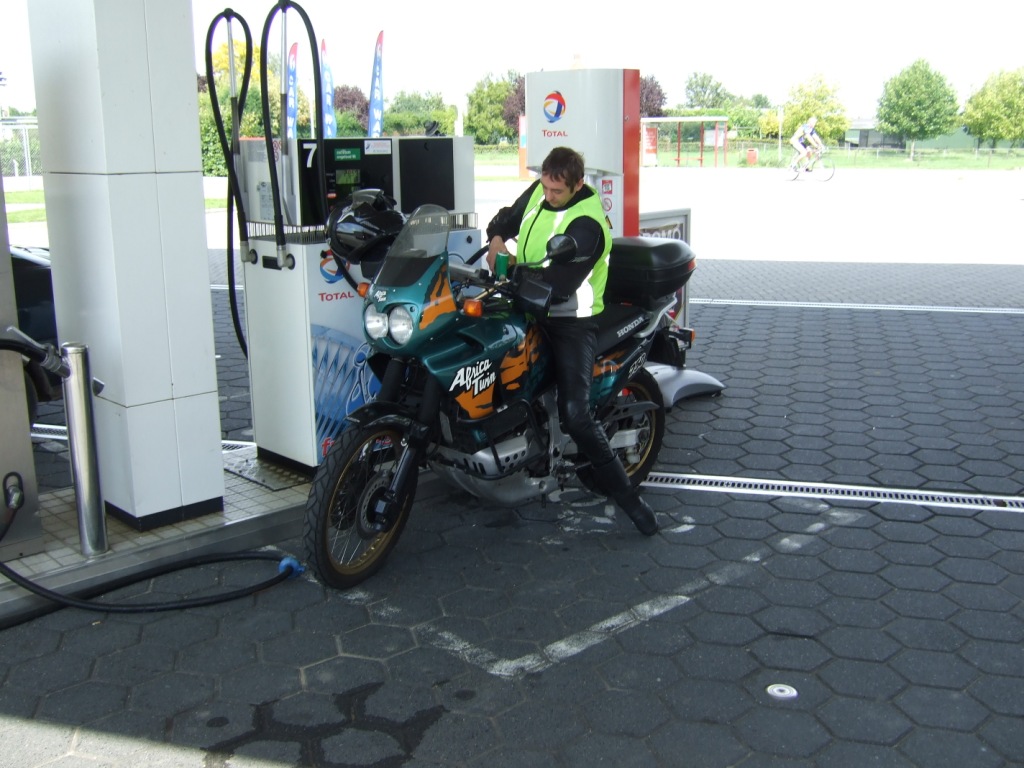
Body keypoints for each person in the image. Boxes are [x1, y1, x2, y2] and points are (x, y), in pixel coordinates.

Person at [484, 146, 658, 535]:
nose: (548, 195)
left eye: (557, 191)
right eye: (545, 186)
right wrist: (496, 240)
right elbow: (506, 218)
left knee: (576, 414)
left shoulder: (588, 224)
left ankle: (632, 502)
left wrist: (512, 271)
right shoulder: (541, 191)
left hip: (570, 322)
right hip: (525, 305)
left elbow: (559, 285)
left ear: (578, 185)